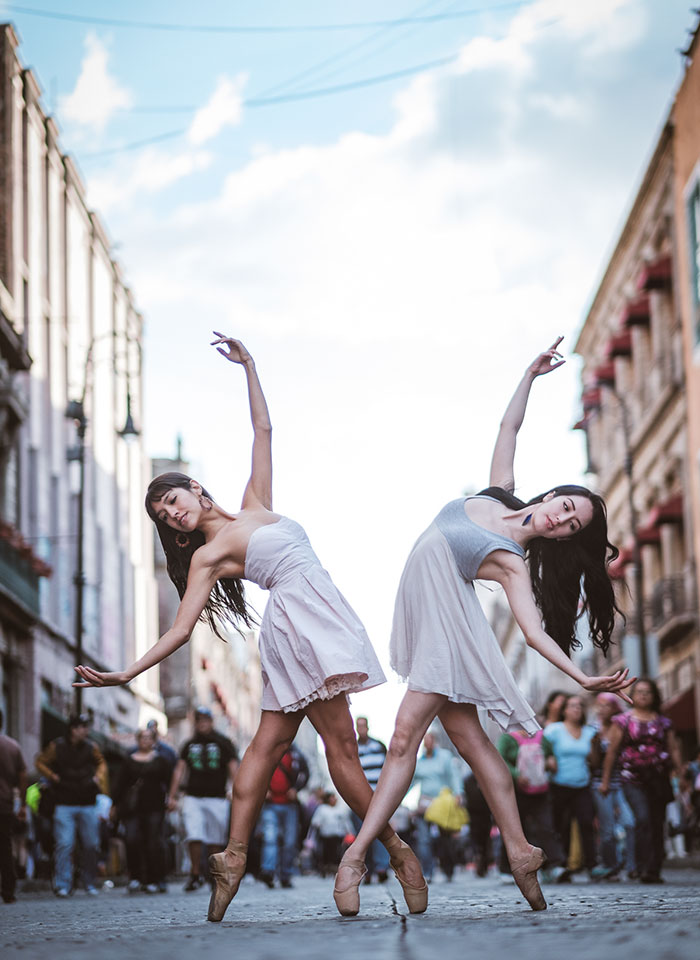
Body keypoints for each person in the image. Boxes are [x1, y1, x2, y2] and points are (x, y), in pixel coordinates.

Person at [74, 334, 425, 922]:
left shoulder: (254, 503)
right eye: (164, 515)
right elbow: (182, 630)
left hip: (317, 616)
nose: (172, 511)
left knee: (269, 748)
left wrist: (250, 368)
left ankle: (233, 860)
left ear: (195, 488)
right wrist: (125, 674)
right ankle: (392, 851)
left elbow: (263, 432)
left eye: (172, 498)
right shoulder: (208, 558)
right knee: (332, 749)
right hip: (298, 625)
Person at [334, 338, 633, 916]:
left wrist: (583, 679)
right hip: (429, 625)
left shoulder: (513, 558)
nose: (562, 517)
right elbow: (507, 429)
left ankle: (357, 857)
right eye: (568, 506)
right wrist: (529, 376)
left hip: (450, 635)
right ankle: (522, 853)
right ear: (555, 495)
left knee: (401, 741)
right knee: (474, 745)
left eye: (571, 526)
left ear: (562, 538)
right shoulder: (497, 495)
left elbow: (532, 634)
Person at [601, 678, 683, 883]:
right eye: (639, 692)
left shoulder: (664, 722)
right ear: (632, 696)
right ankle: (641, 865)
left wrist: (681, 775)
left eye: (647, 692)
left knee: (657, 822)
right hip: (632, 778)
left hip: (659, 778)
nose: (643, 695)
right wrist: (605, 781)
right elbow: (612, 751)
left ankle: (653, 869)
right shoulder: (623, 721)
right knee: (643, 818)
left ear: (654, 696)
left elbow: (673, 749)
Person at [34, 713, 108, 897]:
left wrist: (97, 778)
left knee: (91, 844)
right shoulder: (57, 746)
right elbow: (40, 761)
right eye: (83, 727)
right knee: (65, 844)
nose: (86, 731)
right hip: (64, 802)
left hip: (87, 802)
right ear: (73, 729)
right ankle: (62, 884)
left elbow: (101, 763)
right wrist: (52, 777)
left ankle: (89, 882)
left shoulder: (91, 747)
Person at [168, 707, 239, 892]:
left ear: (211, 721)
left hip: (217, 797)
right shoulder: (189, 744)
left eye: (205, 720)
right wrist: (172, 795)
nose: (202, 724)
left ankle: (212, 875)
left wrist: (236, 790)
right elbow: (179, 769)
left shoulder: (224, 743)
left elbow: (233, 767)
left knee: (214, 838)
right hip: (193, 796)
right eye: (199, 721)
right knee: (194, 834)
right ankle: (194, 873)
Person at [496, 726, 569, 882]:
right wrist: (516, 775)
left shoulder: (542, 737)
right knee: (514, 829)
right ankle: (507, 868)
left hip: (540, 790)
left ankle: (555, 865)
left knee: (546, 827)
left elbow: (550, 755)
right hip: (516, 793)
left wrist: (551, 762)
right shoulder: (507, 738)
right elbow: (499, 760)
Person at [544, 694, 598, 878]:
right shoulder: (554, 730)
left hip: (582, 784)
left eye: (579, 706)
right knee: (561, 825)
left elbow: (594, 760)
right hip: (559, 785)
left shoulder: (590, 732)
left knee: (586, 822)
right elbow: (542, 749)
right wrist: (549, 760)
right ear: (564, 710)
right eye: (572, 705)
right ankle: (562, 865)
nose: (576, 709)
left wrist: (597, 747)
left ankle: (592, 865)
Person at [112, 728, 171, 894]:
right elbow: (120, 784)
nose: (145, 740)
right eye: (142, 737)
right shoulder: (128, 761)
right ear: (137, 740)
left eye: (148, 738)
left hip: (154, 807)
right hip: (132, 808)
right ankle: (135, 878)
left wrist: (172, 798)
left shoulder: (161, 761)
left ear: (153, 741)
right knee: (131, 840)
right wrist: (114, 804)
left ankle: (155, 879)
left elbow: (169, 781)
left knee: (153, 842)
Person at [589, 692, 636, 879]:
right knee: (607, 829)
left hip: (622, 782)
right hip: (600, 784)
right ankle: (610, 866)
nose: (602, 709)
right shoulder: (593, 729)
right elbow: (591, 762)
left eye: (606, 705)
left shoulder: (623, 726)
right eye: (599, 705)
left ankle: (632, 866)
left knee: (630, 823)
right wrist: (595, 742)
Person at [410, 732, 463, 882]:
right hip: (425, 803)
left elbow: (454, 775)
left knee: (445, 839)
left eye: (429, 740)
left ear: (434, 741)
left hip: (442, 803)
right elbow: (411, 782)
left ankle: (448, 869)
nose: (427, 744)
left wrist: (458, 793)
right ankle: (427, 871)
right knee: (423, 840)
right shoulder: (419, 762)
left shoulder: (445, 757)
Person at [259, 743, 309, 888]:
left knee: (289, 842)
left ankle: (285, 875)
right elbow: (259, 771)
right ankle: (268, 871)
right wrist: (264, 789)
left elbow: (305, 773)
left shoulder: (296, 754)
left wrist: (296, 789)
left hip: (290, 805)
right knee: (270, 838)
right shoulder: (268, 750)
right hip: (270, 804)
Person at [352, 717, 390, 883]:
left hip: (378, 797)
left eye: (363, 726)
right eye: (358, 726)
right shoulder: (353, 748)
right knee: (362, 834)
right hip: (360, 798)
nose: (361, 729)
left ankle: (381, 867)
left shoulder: (379, 746)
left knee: (379, 832)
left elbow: (389, 769)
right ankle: (367, 869)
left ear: (367, 727)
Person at [0, 709, 28, 903]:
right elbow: (23, 776)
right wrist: (23, 804)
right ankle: (8, 890)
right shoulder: (12, 746)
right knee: (5, 846)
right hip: (4, 803)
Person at [310, 792, 354, 876]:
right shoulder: (322, 809)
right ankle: (325, 867)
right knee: (326, 852)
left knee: (337, 852)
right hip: (326, 835)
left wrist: (350, 833)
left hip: (338, 835)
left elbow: (346, 822)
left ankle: (335, 867)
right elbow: (315, 822)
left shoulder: (340, 810)